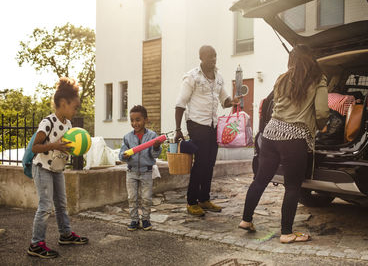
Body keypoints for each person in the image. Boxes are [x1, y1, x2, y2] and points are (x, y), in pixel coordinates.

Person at [239, 45, 329, 243]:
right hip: (294, 137)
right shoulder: (317, 79)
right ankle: (286, 233)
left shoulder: (282, 78)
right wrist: (322, 126)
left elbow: (275, 104)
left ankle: (246, 220)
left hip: (270, 134)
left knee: (260, 180)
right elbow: (322, 111)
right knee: (293, 187)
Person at [175, 45, 240, 216]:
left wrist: (232, 101)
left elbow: (224, 100)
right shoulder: (192, 77)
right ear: (201, 57)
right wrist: (177, 129)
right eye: (210, 56)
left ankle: (204, 199)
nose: (213, 59)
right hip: (196, 124)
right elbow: (180, 103)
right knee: (201, 162)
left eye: (215, 56)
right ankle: (191, 202)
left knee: (210, 163)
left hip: (212, 125)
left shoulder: (218, 78)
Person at [28, 77, 88, 259]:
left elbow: (66, 146)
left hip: (57, 169)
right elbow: (35, 148)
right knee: (46, 206)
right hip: (42, 168)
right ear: (63, 103)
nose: (75, 110)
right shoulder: (48, 122)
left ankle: (65, 235)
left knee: (61, 204)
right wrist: (54, 145)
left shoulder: (69, 125)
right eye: (74, 107)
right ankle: (36, 244)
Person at [119, 105, 162, 231]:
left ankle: (146, 219)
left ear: (145, 120)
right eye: (132, 120)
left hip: (146, 172)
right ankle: (134, 220)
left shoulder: (152, 136)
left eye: (138, 120)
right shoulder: (127, 137)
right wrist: (124, 155)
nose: (135, 123)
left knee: (146, 198)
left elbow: (155, 155)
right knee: (132, 198)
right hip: (131, 172)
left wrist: (156, 147)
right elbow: (121, 155)